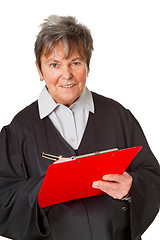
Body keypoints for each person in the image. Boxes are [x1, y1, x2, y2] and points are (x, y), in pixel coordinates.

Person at [0, 15, 159, 240]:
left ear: (87, 65)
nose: (66, 75)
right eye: (54, 64)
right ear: (39, 69)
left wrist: (132, 188)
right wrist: (47, 186)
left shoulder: (118, 116)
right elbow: (3, 200)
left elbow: (153, 177)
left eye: (75, 63)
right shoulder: (18, 131)